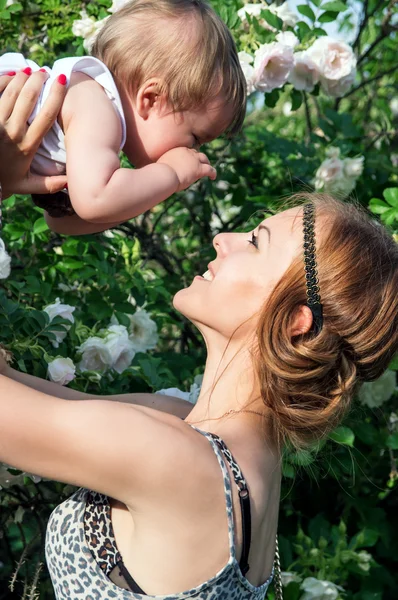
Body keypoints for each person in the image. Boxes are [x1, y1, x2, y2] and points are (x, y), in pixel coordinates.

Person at [1, 73, 398, 600]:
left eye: (256, 243)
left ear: (295, 320)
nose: (223, 238)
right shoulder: (192, 431)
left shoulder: (176, 458)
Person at [0, 0, 246, 238]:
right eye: (194, 138)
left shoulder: (87, 105)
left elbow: (61, 221)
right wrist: (171, 172)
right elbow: (95, 201)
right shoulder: (94, 106)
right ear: (150, 99)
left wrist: (147, 193)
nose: (193, 151)